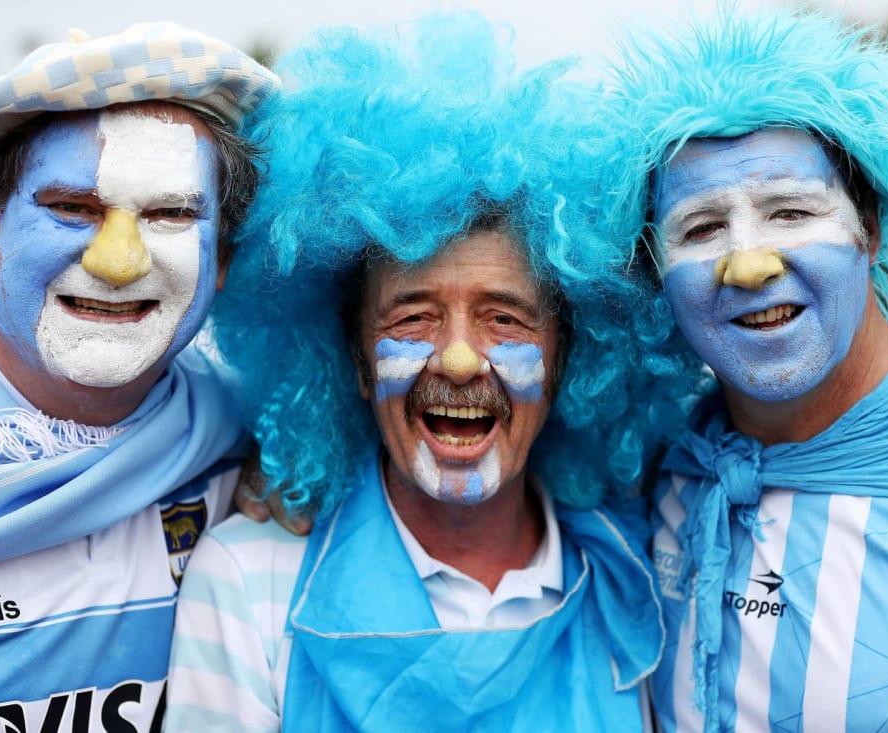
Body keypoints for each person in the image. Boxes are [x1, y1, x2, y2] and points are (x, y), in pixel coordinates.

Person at [165, 14, 698, 731]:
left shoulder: (634, 576)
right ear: (351, 358)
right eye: (412, 316)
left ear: (568, 358)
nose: (456, 357)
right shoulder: (249, 581)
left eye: (504, 318)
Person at [609, 7, 888, 731]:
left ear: (870, 230)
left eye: (790, 212)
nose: (749, 262)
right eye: (701, 228)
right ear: (656, 270)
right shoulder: (666, 467)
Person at [0, 23, 277, 730]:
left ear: (221, 255)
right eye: (74, 208)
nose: (119, 260)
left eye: (169, 214)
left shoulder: (244, 432)